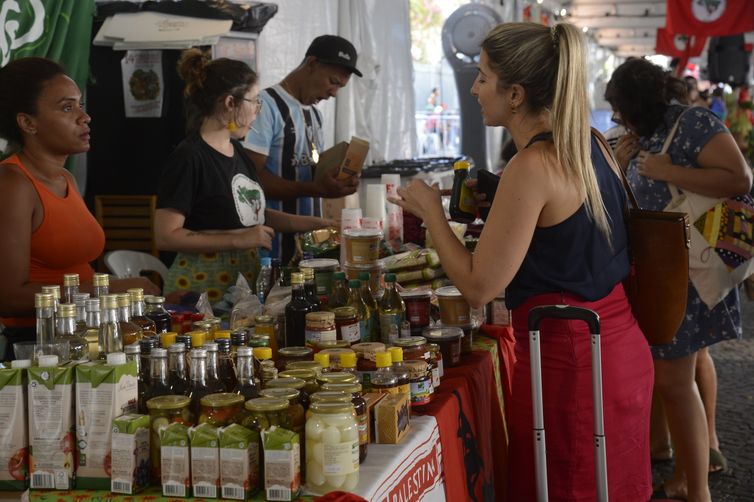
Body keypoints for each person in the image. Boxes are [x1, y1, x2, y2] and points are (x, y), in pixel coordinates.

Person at [392, 23, 653, 501]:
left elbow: (478, 286)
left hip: (572, 358)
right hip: (612, 346)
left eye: (482, 77)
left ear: (515, 94)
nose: (473, 88)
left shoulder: (532, 166)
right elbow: (570, 231)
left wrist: (431, 213)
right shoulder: (588, 141)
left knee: (567, 487)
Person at [606, 57, 751, 502]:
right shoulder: (643, 133)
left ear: (639, 104)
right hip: (665, 272)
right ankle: (689, 472)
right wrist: (619, 161)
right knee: (675, 377)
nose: (616, 119)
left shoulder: (693, 123)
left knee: (674, 381)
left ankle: (699, 487)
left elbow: (739, 178)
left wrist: (669, 172)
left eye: (620, 109)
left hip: (687, 272)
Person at [0, 57, 159, 359]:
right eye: (67, 107)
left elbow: (75, 271)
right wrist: (110, 290)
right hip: (39, 348)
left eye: (80, 105)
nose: (84, 117)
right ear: (28, 123)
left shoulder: (65, 178)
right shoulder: (13, 183)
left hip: (83, 336)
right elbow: (8, 297)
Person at [155, 49, 334, 303]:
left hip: (239, 284)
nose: (257, 112)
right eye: (254, 102)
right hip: (200, 291)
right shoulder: (190, 157)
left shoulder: (237, 151)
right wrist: (238, 240)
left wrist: (318, 224)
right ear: (230, 103)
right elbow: (166, 235)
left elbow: (252, 214)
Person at [244, 35, 361, 264]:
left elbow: (311, 167)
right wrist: (314, 188)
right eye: (333, 81)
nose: (334, 93)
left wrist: (340, 178)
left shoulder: (314, 114)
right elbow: (250, 180)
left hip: (308, 249)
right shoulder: (265, 107)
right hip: (270, 251)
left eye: (341, 86)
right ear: (311, 64)